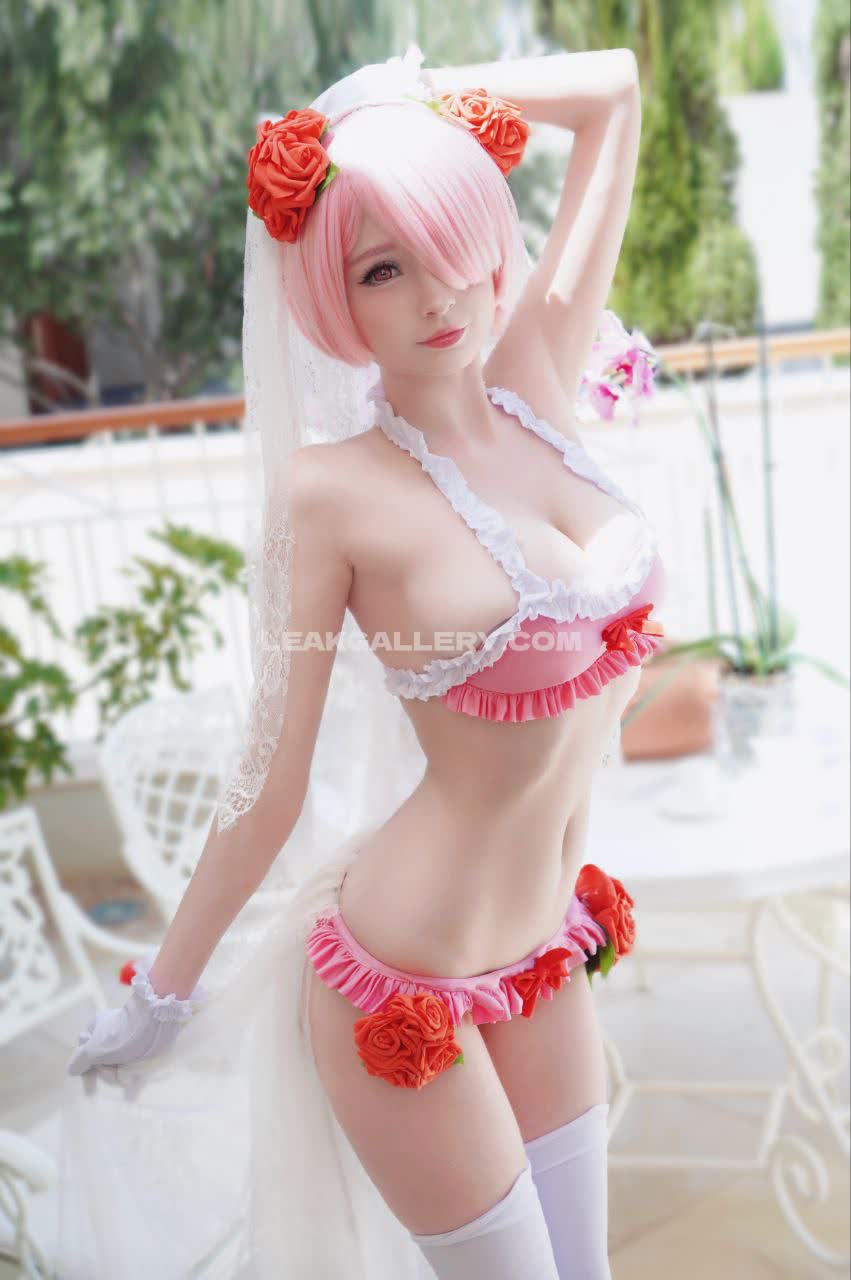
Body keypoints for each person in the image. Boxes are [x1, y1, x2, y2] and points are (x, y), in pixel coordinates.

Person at [59, 42, 664, 1280]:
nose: (436, 294)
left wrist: (415, 102)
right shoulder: (330, 493)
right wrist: (163, 993)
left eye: (448, 240)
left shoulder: (535, 376)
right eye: (382, 269)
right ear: (336, 302)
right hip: (401, 977)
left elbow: (610, 93)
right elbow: (267, 777)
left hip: (542, 946)